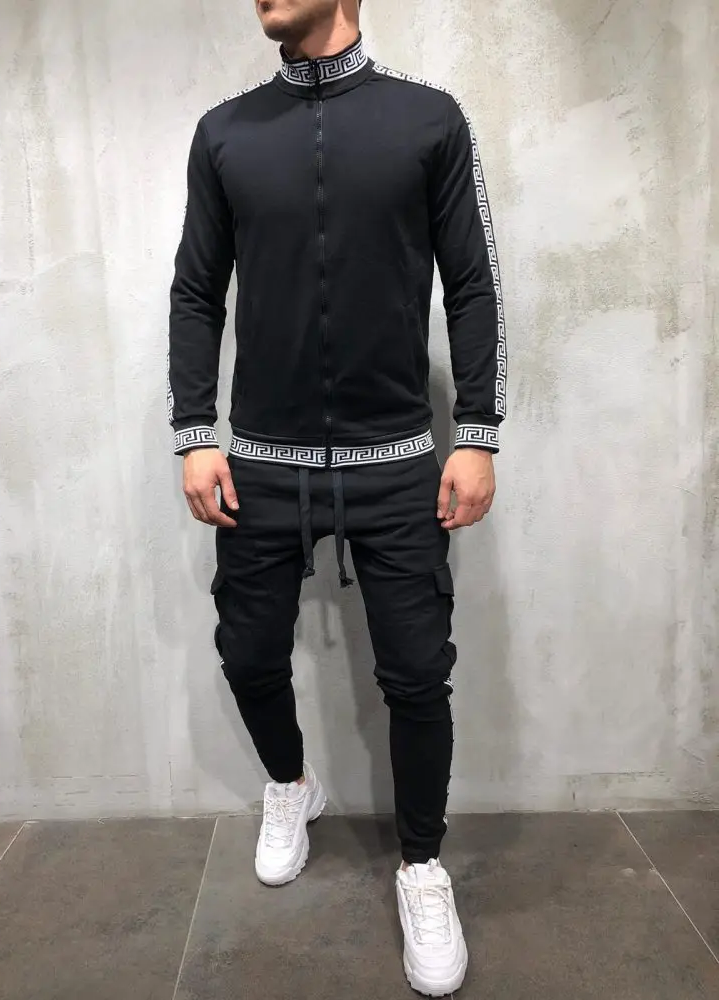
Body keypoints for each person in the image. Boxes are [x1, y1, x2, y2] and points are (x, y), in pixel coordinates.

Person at [168, 0, 506, 994]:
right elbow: (197, 290)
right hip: (261, 461)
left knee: (418, 676)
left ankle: (422, 866)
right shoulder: (226, 134)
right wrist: (194, 431)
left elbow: (472, 283)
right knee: (246, 652)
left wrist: (477, 432)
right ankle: (290, 785)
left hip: (396, 457)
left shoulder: (429, 119)